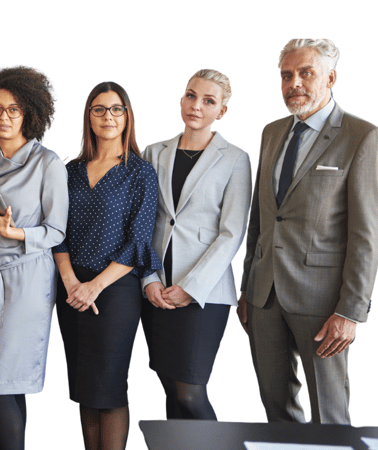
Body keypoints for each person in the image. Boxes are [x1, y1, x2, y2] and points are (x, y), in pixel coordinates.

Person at [238, 39, 378, 424]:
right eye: (287, 75)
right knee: (276, 409)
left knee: (330, 416)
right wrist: (248, 288)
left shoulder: (361, 137)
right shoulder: (271, 132)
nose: (294, 83)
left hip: (323, 304)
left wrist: (350, 311)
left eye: (306, 73)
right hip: (264, 298)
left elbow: (366, 236)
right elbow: (262, 218)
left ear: (331, 77)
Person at [0, 66, 67, 450]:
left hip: (24, 285)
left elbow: (56, 232)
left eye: (14, 109)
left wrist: (12, 232)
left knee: (2, 382)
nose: (4, 117)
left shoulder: (47, 163)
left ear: (30, 114)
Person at [52, 81, 161, 450]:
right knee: (86, 386)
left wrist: (94, 286)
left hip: (114, 291)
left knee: (109, 385)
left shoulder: (140, 172)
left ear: (127, 116)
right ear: (89, 117)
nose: (108, 116)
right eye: (99, 109)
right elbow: (57, 231)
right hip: (71, 290)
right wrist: (71, 283)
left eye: (116, 109)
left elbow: (139, 240)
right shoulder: (70, 171)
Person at [141, 70, 252, 420]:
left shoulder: (235, 158)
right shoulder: (153, 152)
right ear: (181, 99)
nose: (196, 106)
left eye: (208, 100)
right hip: (157, 288)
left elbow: (232, 232)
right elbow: (143, 222)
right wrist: (149, 280)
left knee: (190, 393)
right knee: (169, 387)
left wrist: (190, 287)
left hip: (204, 293)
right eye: (191, 95)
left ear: (222, 111)